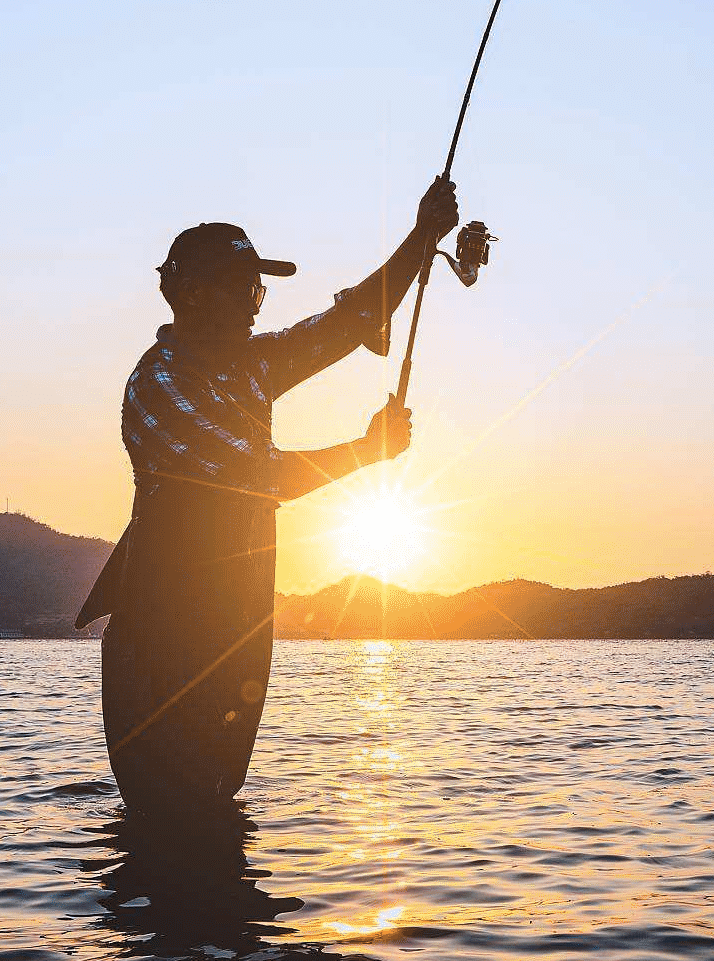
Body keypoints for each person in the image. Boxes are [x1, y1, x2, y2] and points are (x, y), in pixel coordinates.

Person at [76, 178, 460, 817]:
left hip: (239, 628)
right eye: (243, 288)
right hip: (161, 638)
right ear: (191, 295)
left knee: (214, 808)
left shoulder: (253, 363)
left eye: (259, 290)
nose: (255, 306)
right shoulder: (157, 383)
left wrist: (422, 238)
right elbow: (251, 476)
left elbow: (348, 323)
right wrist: (366, 451)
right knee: (167, 811)